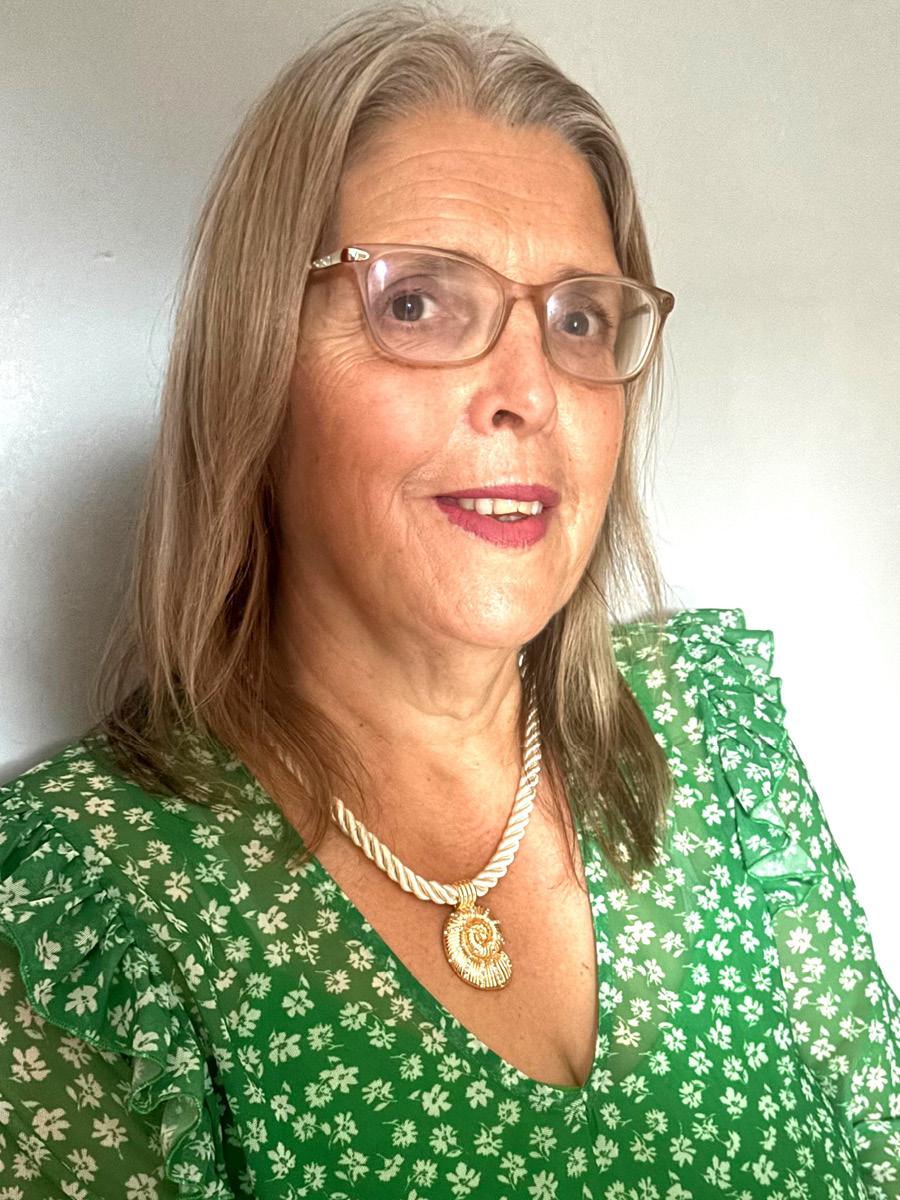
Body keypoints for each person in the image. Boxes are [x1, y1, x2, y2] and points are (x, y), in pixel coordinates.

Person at [1, 4, 898, 1198]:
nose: (530, 388)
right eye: (417, 302)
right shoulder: (81, 906)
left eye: (580, 317)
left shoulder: (718, 737)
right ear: (255, 365)